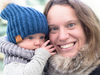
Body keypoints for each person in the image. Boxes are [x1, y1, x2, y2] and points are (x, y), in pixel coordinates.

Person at [0, 0, 100, 75]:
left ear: (87, 27)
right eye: (54, 28)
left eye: (71, 25)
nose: (63, 37)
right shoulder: (38, 62)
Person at [0, 0, 56, 75]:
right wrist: (41, 56)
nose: (38, 42)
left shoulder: (35, 54)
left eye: (41, 37)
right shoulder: (13, 63)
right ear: (17, 39)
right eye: (30, 38)